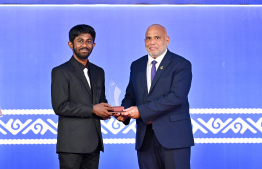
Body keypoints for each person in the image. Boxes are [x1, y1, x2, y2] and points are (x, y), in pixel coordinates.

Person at [116, 24, 194, 169]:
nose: (152, 42)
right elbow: (131, 96)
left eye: (157, 38)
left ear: (167, 40)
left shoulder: (181, 64)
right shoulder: (136, 65)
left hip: (174, 138)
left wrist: (141, 111)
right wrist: (124, 112)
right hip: (145, 139)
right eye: (148, 38)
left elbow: (176, 97)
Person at [51, 24, 113, 169]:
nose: (85, 45)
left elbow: (100, 100)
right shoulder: (60, 71)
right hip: (71, 146)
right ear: (70, 44)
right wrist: (93, 109)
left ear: (94, 44)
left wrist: (108, 111)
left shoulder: (99, 72)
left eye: (89, 41)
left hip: (94, 144)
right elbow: (60, 106)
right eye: (80, 41)